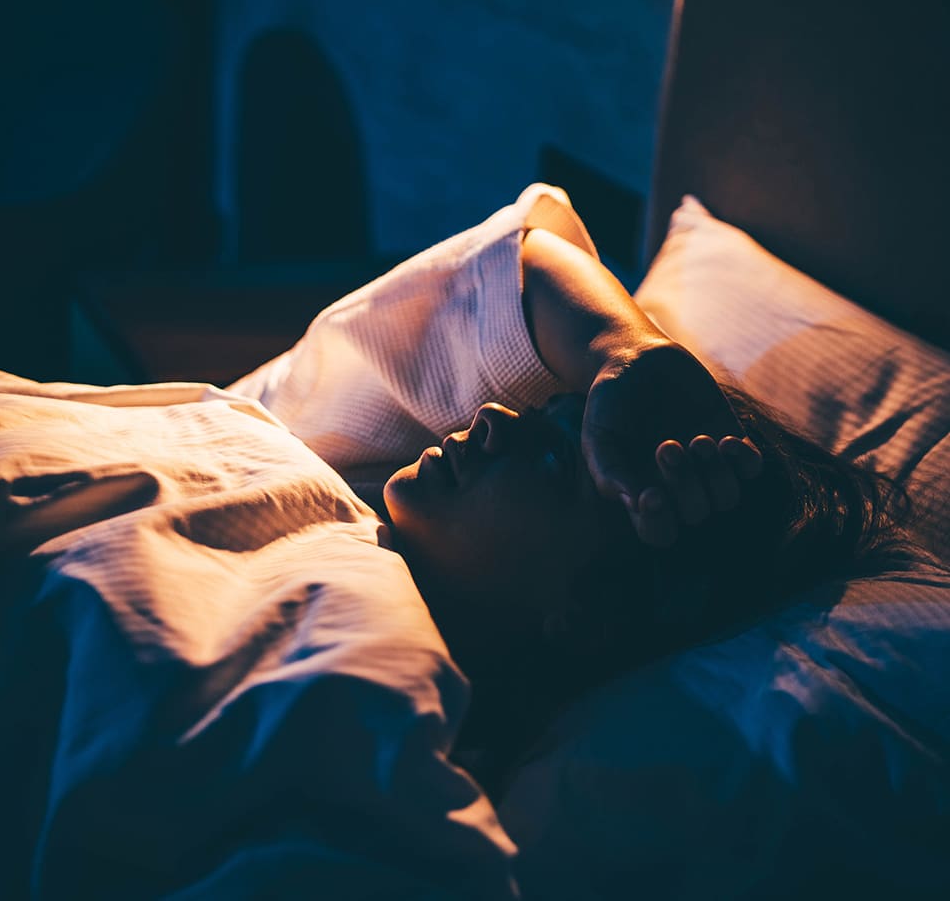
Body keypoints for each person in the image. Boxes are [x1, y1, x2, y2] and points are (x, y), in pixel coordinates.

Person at [228, 184, 905, 786]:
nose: (490, 415)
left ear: (587, 615)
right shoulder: (350, 472)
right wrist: (629, 350)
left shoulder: (388, 732)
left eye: (554, 458)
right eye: (537, 412)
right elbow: (517, 264)